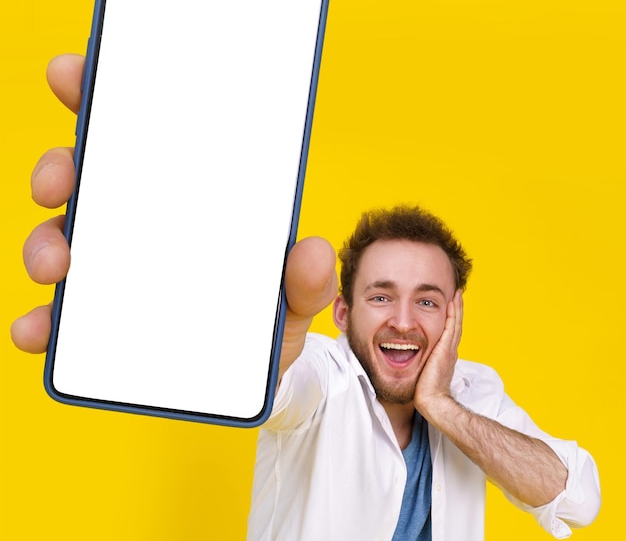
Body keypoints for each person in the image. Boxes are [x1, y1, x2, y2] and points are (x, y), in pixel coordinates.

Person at [12, 55, 601, 541]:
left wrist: (442, 407)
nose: (403, 321)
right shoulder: (327, 374)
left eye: (427, 301)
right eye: (379, 297)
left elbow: (578, 497)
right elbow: (276, 388)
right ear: (342, 313)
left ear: (454, 316)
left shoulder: (474, 395)